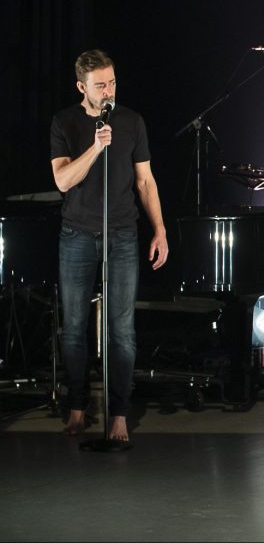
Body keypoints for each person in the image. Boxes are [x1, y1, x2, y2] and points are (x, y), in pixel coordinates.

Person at [50, 49, 169, 442]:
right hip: (78, 234)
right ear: (82, 87)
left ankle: (118, 413)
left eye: (113, 82)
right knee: (73, 328)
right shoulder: (64, 122)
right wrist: (97, 146)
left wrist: (160, 230)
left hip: (121, 233)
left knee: (121, 328)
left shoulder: (132, 122)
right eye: (100, 85)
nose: (109, 91)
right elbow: (64, 181)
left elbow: (145, 182)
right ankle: (78, 406)